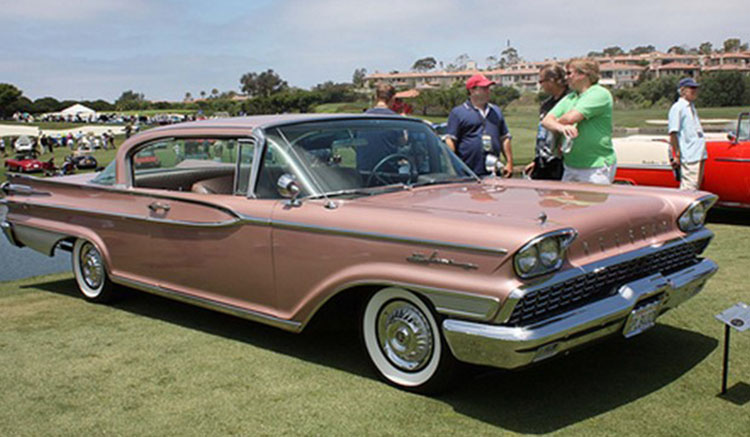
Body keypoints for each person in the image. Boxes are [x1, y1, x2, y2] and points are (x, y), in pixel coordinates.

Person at [542, 58, 615, 184]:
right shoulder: (571, 97)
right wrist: (562, 128)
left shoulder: (599, 93)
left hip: (596, 167)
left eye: (569, 73)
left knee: (593, 198)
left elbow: (572, 117)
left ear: (583, 74)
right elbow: (546, 121)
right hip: (570, 165)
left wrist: (557, 121)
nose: (566, 77)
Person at [445, 74, 513, 177]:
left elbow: (504, 138)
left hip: (493, 170)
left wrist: (509, 162)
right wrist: (454, 166)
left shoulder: (496, 111)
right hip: (467, 172)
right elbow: (450, 140)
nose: (488, 91)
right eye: (484, 88)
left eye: (488, 88)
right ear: (472, 90)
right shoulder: (458, 112)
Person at [525, 65, 569, 180]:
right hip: (543, 162)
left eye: (541, 81)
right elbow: (542, 135)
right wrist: (536, 160)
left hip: (561, 162)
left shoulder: (570, 100)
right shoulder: (546, 104)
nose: (540, 85)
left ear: (552, 80)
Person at [668, 78, 706, 190]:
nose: (695, 91)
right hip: (689, 154)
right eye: (691, 88)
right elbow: (673, 133)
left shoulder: (691, 107)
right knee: (689, 187)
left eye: (695, 88)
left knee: (696, 185)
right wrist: (677, 154)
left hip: (699, 152)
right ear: (683, 90)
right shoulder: (678, 108)